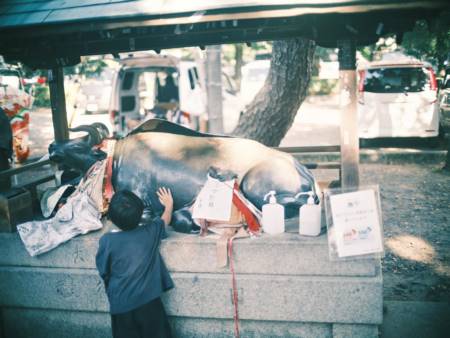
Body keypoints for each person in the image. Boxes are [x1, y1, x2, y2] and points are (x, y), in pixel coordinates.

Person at [96, 188, 174, 338]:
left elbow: (104, 271)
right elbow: (164, 221)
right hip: (149, 303)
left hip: (121, 305)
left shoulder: (107, 241)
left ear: (110, 217)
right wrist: (169, 205)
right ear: (140, 215)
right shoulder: (149, 232)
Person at [0, 107, 13, 190]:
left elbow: (6, 133)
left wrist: (8, 152)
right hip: (3, 148)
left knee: (3, 181)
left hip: (1, 150)